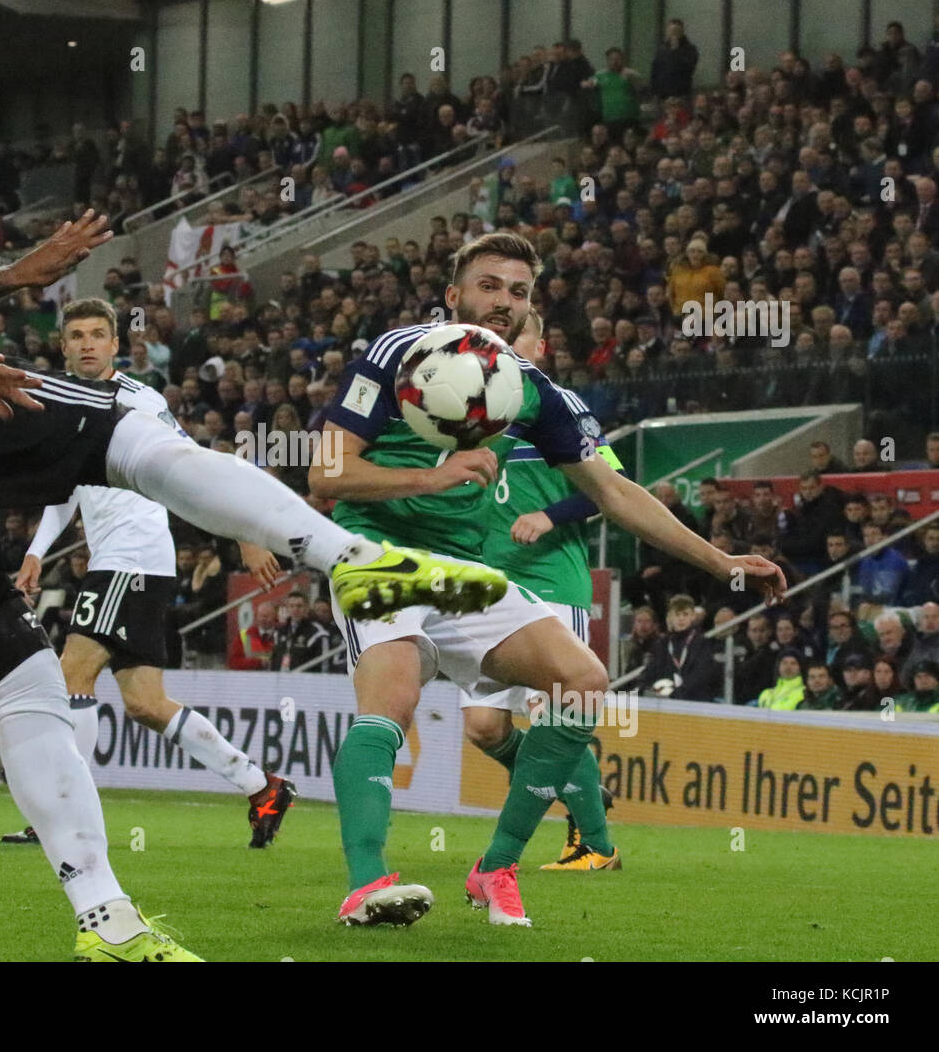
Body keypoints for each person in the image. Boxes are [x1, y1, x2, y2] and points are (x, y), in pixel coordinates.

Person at [0, 54, 507, 962]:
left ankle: (107, 921)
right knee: (132, 430)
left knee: (23, 673)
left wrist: (14, 277)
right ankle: (353, 560)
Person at [309, 231, 783, 929]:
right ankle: (367, 884)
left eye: (519, 291)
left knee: (583, 680)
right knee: (394, 696)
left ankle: (496, 866)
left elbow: (617, 493)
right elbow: (325, 472)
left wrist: (721, 561)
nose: (503, 302)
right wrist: (430, 476)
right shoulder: (395, 353)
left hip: (466, 570)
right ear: (454, 296)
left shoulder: (531, 390)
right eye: (490, 286)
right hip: (378, 550)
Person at [10, 299, 295, 850]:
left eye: (99, 334)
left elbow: (192, 470)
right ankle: (263, 786)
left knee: (71, 676)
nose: (88, 343)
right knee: (144, 702)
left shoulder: (137, 401)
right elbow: (64, 491)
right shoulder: (63, 406)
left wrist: (242, 533)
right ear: (63, 346)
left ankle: (66, 815)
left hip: (130, 560)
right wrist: (36, 551)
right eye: (77, 335)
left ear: (116, 345)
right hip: (128, 563)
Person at [456, 309, 618, 871]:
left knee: (556, 710)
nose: (502, 347)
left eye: (515, 337)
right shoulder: (469, 415)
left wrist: (549, 516)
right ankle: (580, 791)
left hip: (549, 582)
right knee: (484, 727)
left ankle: (597, 843)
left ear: (540, 347)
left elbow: (610, 489)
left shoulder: (561, 406)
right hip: (486, 588)